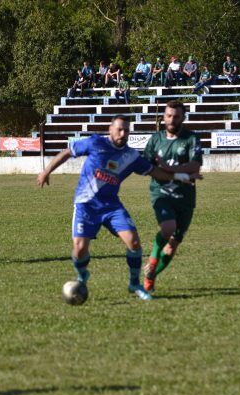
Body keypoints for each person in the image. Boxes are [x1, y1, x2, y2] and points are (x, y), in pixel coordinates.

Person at [36, 115, 201, 301]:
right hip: (86, 204)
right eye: (120, 129)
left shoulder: (131, 156)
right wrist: (47, 170)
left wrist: (182, 177)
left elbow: (155, 172)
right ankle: (82, 276)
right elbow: (68, 152)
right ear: (110, 129)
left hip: (111, 206)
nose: (123, 133)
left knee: (134, 242)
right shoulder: (95, 142)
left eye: (127, 130)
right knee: (80, 249)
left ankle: (134, 284)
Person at [142, 100, 203, 293]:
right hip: (161, 193)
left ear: (183, 117)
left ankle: (150, 279)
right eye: (168, 115)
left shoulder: (191, 139)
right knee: (168, 227)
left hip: (185, 198)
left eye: (176, 116)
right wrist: (178, 174)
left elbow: (195, 166)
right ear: (163, 117)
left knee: (172, 246)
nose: (171, 119)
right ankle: (152, 261)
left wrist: (168, 168)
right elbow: (146, 167)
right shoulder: (155, 140)